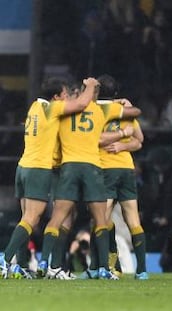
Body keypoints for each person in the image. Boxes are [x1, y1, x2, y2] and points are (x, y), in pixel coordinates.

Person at [36, 78, 141, 280]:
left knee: (59, 218)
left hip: (66, 168)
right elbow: (135, 113)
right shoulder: (101, 110)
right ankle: (102, 268)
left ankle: (47, 263)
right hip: (92, 168)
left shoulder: (61, 111)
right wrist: (123, 114)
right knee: (100, 219)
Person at [0, 76, 99, 279]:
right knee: (31, 218)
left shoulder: (35, 107)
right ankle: (5, 259)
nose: (66, 99)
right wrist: (89, 86)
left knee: (27, 220)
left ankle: (23, 265)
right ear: (55, 97)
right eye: (63, 95)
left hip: (23, 167)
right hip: (38, 169)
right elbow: (81, 103)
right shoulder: (52, 109)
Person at [83, 74, 148, 280]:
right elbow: (139, 140)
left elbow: (95, 139)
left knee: (99, 220)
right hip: (127, 169)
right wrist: (124, 145)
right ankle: (142, 271)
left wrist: (118, 141)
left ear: (98, 91)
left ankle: (98, 267)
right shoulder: (126, 111)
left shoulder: (94, 111)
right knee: (133, 220)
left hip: (106, 169)